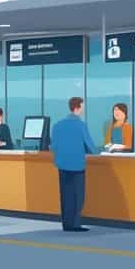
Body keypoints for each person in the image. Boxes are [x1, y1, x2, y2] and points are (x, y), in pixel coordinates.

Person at [51, 96, 99, 232]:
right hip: (77, 165)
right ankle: (75, 224)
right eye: (83, 106)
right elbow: (90, 147)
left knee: (65, 195)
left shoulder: (58, 125)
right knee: (78, 196)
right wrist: (99, 151)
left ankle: (66, 224)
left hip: (62, 165)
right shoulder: (81, 125)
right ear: (78, 107)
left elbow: (53, 146)